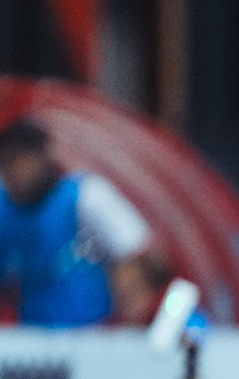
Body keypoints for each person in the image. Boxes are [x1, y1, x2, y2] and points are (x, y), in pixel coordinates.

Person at [0, 118, 158, 328]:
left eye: (24, 159)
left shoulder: (86, 195)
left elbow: (137, 254)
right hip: (26, 341)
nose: (18, 171)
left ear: (45, 156)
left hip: (90, 336)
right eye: (9, 161)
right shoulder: (4, 209)